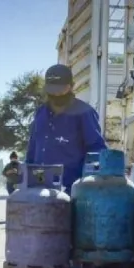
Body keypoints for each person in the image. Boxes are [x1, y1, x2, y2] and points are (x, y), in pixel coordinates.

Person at [26, 64, 107, 194]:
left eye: (61, 89)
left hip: (71, 190)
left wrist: (86, 184)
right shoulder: (40, 113)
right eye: (52, 90)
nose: (56, 94)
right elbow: (32, 149)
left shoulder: (84, 112)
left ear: (71, 86)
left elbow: (97, 150)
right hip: (39, 188)